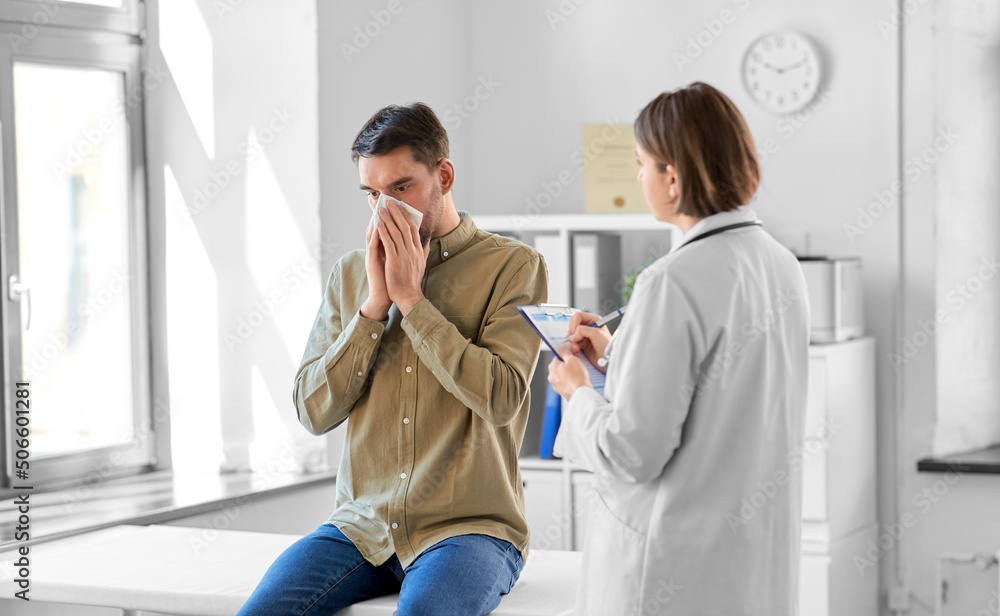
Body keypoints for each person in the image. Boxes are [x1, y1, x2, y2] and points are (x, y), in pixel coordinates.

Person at [238, 103, 547, 616]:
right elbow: (314, 412)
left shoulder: (513, 267)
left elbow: (501, 398)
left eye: (401, 188)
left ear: (443, 176)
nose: (385, 209)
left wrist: (413, 303)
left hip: (468, 530)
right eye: (372, 194)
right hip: (361, 528)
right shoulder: (351, 276)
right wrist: (374, 308)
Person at [547, 82, 810, 615]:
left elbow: (631, 452)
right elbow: (719, 391)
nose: (638, 177)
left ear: (672, 176)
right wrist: (617, 356)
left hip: (673, 576)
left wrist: (577, 391)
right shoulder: (782, 264)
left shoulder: (672, 281)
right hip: (749, 570)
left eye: (641, 163)